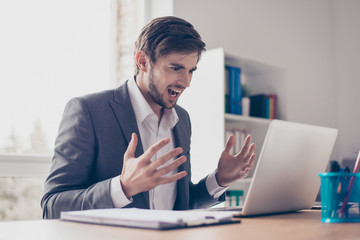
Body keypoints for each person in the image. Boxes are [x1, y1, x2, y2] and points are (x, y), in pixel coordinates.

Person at [41, 16, 256, 219]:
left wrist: (219, 180)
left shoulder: (182, 119)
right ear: (143, 61)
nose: (186, 81)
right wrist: (122, 187)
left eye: (191, 70)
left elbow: (179, 205)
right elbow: (52, 206)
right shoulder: (88, 110)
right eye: (175, 68)